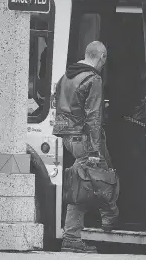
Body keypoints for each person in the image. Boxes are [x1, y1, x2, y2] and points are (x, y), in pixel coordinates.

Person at [53, 41, 119, 253]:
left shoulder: (66, 77)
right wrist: (94, 150)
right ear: (102, 57)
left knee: (95, 176)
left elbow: (63, 104)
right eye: (104, 60)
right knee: (88, 182)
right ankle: (73, 236)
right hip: (85, 139)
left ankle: (109, 217)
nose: (103, 64)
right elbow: (93, 117)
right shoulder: (93, 79)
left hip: (68, 136)